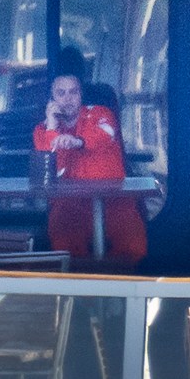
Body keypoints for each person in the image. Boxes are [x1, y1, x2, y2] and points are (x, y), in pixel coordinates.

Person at [32, 74, 147, 263]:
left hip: (115, 200)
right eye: (61, 93)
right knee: (63, 247)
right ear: (52, 99)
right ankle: (76, 288)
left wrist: (77, 141)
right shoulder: (42, 130)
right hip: (71, 203)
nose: (68, 98)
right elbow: (48, 171)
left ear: (81, 95)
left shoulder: (101, 114)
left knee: (132, 247)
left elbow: (103, 135)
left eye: (73, 92)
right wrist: (52, 127)